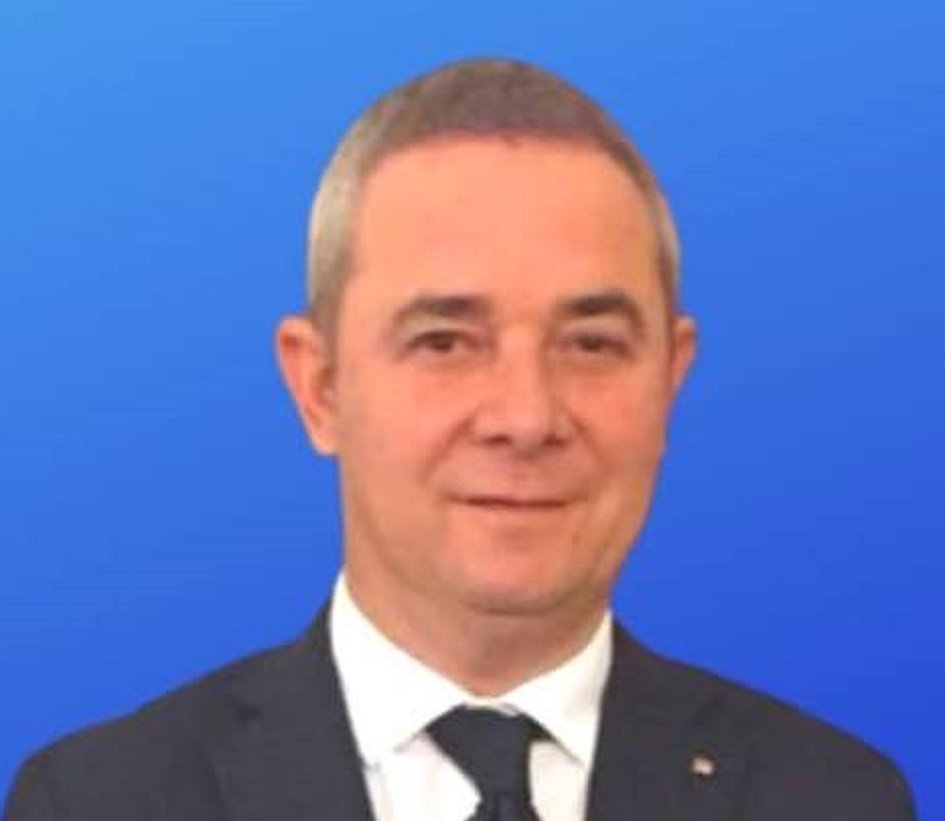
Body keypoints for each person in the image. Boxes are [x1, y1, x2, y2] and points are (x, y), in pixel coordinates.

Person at [3, 58, 914, 821]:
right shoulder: (98, 801)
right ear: (318, 387)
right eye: (444, 342)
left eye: (591, 344)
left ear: (670, 379)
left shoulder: (834, 800)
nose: (525, 416)